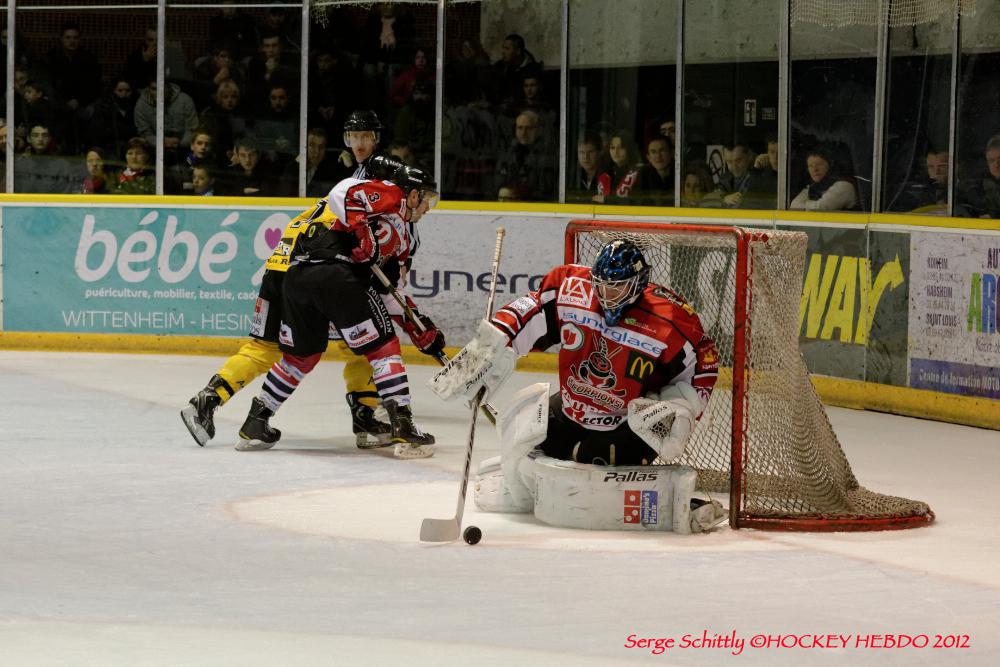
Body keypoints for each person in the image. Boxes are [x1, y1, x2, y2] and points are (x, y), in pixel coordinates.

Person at [429, 240, 720, 523]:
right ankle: (529, 487)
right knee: (522, 436)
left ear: (637, 284)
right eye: (600, 285)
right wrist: (487, 347)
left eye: (616, 287)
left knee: (595, 473)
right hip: (570, 409)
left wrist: (682, 409)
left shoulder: (669, 318)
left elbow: (703, 363)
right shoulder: (572, 289)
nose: (606, 294)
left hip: (624, 425)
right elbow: (528, 309)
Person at [181, 155, 444, 454]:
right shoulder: (377, 199)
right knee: (376, 347)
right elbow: (382, 279)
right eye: (426, 200)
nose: (427, 208)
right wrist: (365, 237)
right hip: (333, 272)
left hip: (290, 271)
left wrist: (414, 321)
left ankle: (252, 418)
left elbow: (389, 284)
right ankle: (380, 420)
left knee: (294, 355)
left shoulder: (350, 203)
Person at [789, 147, 857, 211]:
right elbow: (794, 206)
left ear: (830, 165)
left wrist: (806, 203)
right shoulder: (814, 186)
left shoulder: (843, 185)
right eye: (810, 166)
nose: (814, 170)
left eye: (819, 164)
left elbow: (819, 209)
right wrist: (813, 204)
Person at [956, 135, 1000, 219]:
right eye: (991, 161)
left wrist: (994, 216)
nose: (996, 165)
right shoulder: (978, 184)